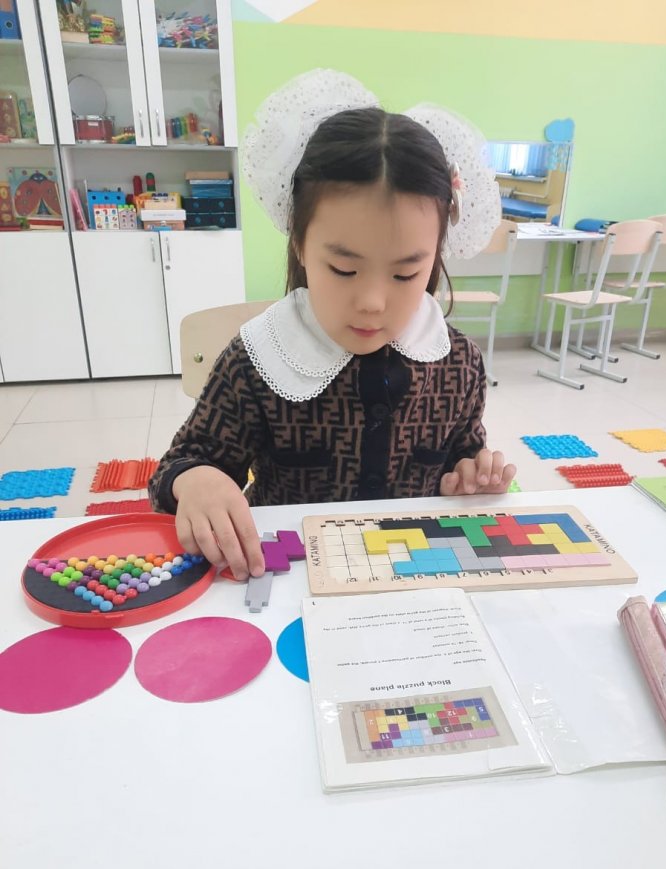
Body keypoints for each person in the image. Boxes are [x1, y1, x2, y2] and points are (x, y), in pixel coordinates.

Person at [149, 70, 516, 581]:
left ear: (435, 258)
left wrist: (471, 474)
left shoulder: (457, 364)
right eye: (343, 269)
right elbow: (181, 463)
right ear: (299, 243)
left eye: (406, 274)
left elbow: (463, 450)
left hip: (412, 576)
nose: (371, 303)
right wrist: (196, 481)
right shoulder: (259, 358)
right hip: (289, 580)